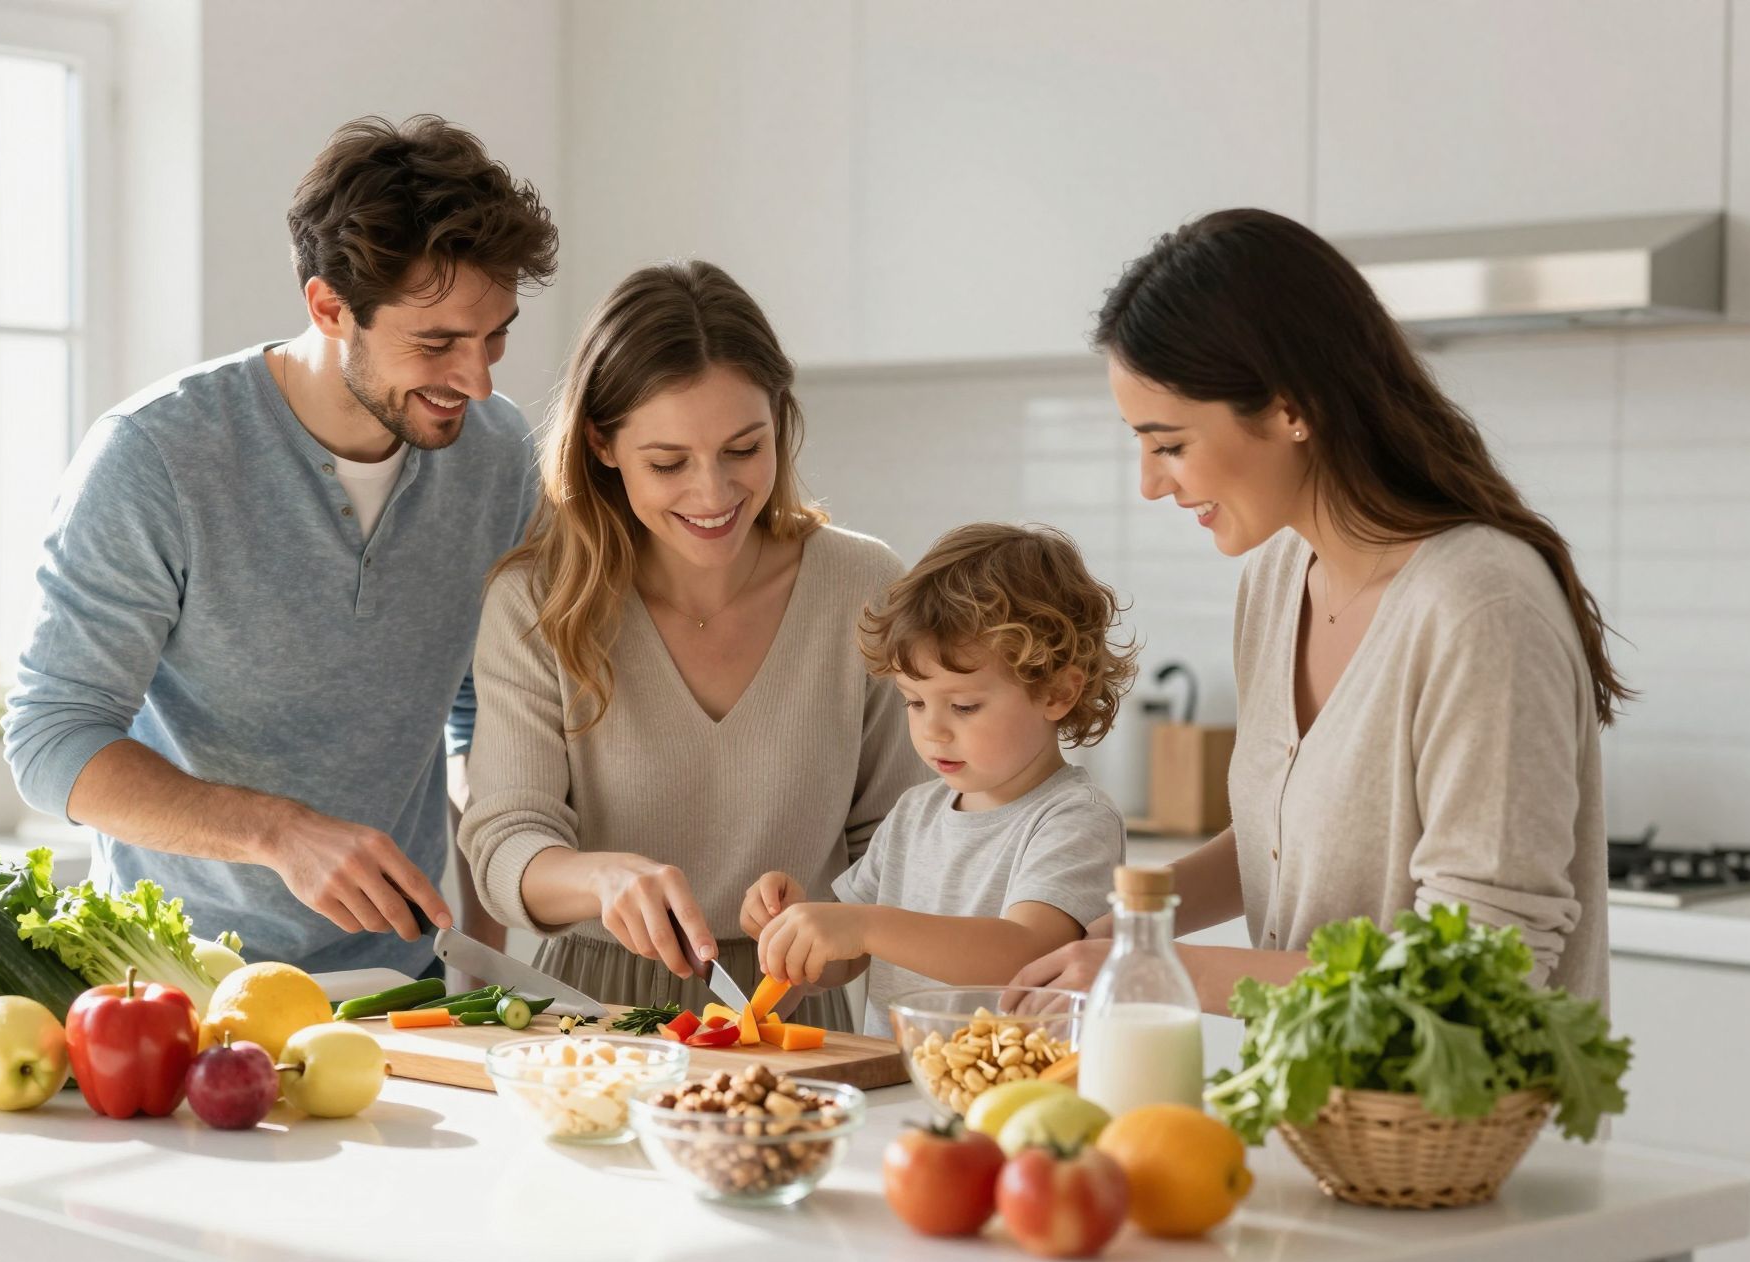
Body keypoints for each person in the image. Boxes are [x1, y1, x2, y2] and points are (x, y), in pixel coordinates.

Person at [1014, 208, 1623, 1011]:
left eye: (1169, 444)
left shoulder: (1479, 605)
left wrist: (1161, 972)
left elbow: (1483, 974)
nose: (1150, 484)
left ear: (1290, 409)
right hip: (1313, 1121)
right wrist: (1116, 929)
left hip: (1469, 1134)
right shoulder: (1276, 578)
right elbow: (1280, 844)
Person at [5, 115, 558, 976]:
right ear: (330, 307)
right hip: (168, 983)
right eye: (437, 342)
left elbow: (480, 716)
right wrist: (280, 834)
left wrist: (485, 957)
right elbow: (51, 741)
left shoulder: (496, 458)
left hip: (395, 985)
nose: (478, 380)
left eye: (495, 335)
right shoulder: (158, 456)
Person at [458, 260, 927, 1029]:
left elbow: (904, 845)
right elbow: (506, 842)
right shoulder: (539, 603)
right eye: (668, 463)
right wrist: (601, 882)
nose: (713, 494)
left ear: (780, 418)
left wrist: (835, 935)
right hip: (592, 1015)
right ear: (604, 445)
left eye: (744, 449)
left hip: (789, 1018)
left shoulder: (862, 586)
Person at [745, 522, 1134, 1035]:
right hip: (899, 1092)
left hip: (1017, 1101)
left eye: (965, 706)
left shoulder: (1074, 819)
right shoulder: (913, 814)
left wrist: (863, 925)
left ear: (1058, 692)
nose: (933, 731)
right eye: (914, 702)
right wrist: (800, 928)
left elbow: (1024, 953)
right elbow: (845, 963)